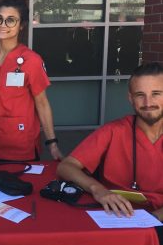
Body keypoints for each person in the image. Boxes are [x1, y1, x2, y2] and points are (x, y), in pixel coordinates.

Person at [57, 62, 163, 219]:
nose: (148, 103)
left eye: (156, 93)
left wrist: (152, 220)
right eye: (140, 95)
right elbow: (65, 167)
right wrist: (98, 190)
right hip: (115, 215)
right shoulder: (113, 131)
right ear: (130, 98)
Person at [0, 0, 63, 162]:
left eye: (11, 20)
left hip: (21, 144)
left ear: (21, 25)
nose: (3, 24)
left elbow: (42, 103)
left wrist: (52, 143)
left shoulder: (31, 61)